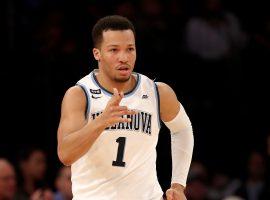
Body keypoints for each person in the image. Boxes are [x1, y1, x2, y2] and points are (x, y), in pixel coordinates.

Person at [57, 15, 194, 200]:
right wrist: (100, 122)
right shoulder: (80, 95)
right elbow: (65, 154)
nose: (124, 57)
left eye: (130, 49)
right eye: (114, 50)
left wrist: (178, 184)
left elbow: (183, 129)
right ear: (97, 54)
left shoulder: (157, 92)